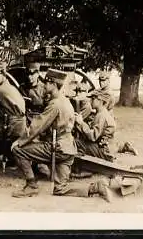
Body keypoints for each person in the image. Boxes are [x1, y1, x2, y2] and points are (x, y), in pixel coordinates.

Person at [10, 68, 112, 202]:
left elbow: (37, 126)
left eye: (46, 83)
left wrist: (20, 141)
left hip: (57, 148)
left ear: (53, 85)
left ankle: (31, 185)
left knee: (18, 150)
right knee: (60, 189)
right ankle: (95, 188)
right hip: (69, 149)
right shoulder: (65, 101)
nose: (44, 86)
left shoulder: (55, 104)